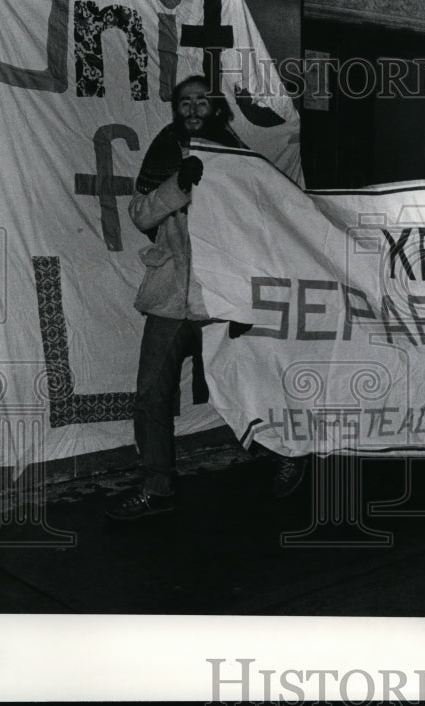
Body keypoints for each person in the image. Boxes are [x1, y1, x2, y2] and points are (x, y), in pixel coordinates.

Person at [105, 75, 306, 521]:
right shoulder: (165, 150)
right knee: (150, 394)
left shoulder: (237, 156)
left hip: (224, 298)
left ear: (215, 108)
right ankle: (157, 489)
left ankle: (289, 454)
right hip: (173, 297)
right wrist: (179, 184)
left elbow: (263, 220)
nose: (193, 108)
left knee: (247, 386)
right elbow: (140, 214)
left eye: (201, 101)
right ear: (177, 108)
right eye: (185, 102)